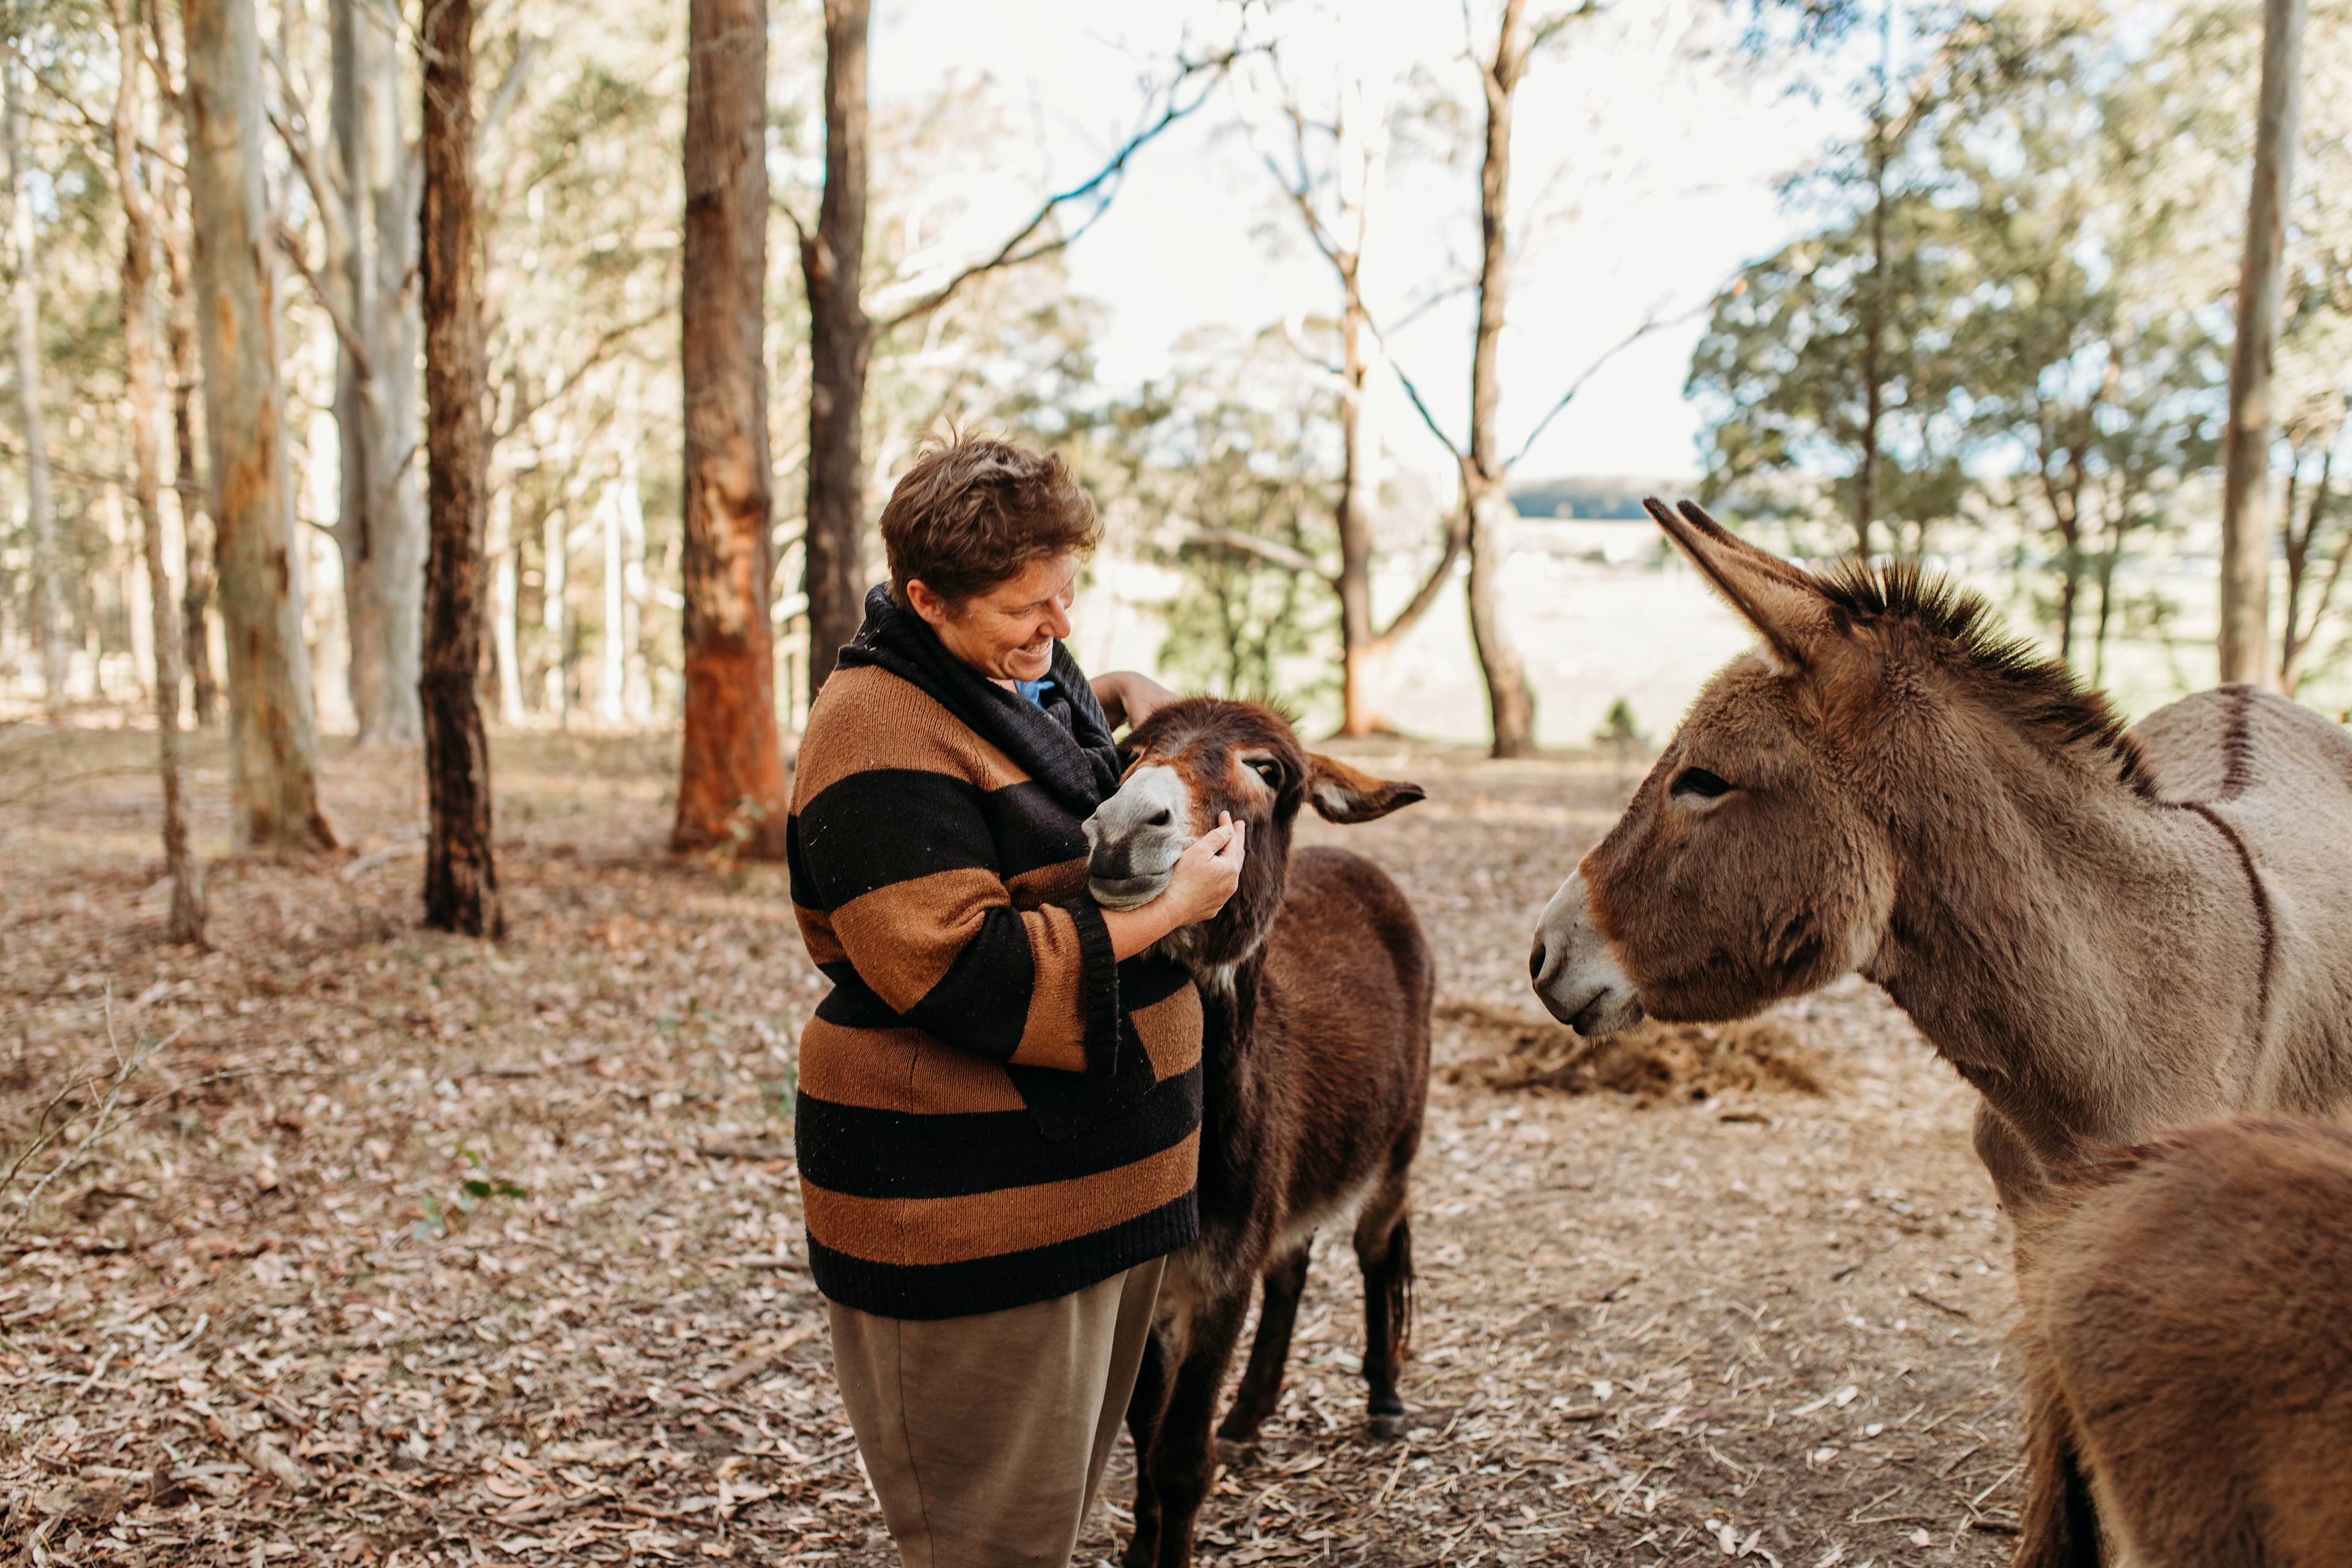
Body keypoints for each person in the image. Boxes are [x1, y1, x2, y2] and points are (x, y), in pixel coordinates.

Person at [786, 433, 1245, 1567]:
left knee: (1042, 1525)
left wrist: (1114, 707)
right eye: (1025, 609)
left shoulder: (1008, 674)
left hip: (1090, 1195)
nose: (1059, 628)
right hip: (969, 1220)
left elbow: (1050, 799)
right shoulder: (873, 731)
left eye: (1066, 597)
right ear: (924, 597)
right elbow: (957, 966)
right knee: (985, 1542)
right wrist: (1170, 907)